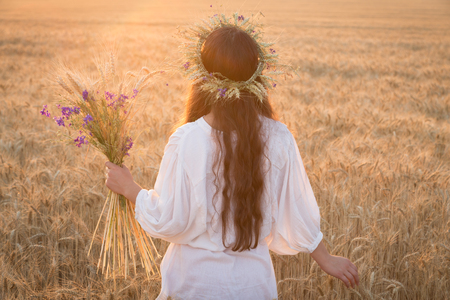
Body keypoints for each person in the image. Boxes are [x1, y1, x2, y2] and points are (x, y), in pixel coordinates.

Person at [105, 16, 359, 300]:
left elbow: (170, 220)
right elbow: (297, 206)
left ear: (205, 78)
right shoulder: (278, 137)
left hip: (195, 285)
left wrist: (130, 188)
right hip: (254, 287)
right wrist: (326, 258)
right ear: (256, 77)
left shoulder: (187, 139)